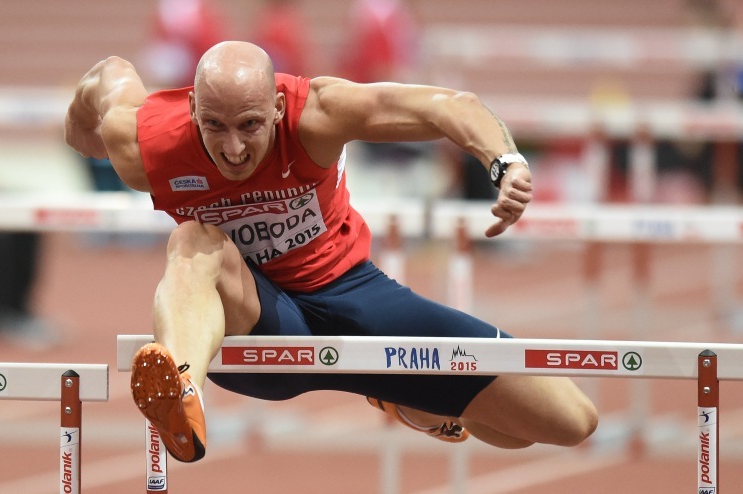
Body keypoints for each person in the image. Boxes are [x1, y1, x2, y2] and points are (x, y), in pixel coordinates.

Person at [64, 41, 598, 464]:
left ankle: (409, 403)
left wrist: (504, 161)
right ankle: (180, 389)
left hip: (353, 297)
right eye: (214, 126)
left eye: (250, 125)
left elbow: (448, 106)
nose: (233, 149)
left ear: (276, 107)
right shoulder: (147, 146)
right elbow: (106, 82)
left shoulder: (316, 114)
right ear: (191, 109)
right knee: (191, 239)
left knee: (567, 421)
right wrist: (74, 126)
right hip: (255, 318)